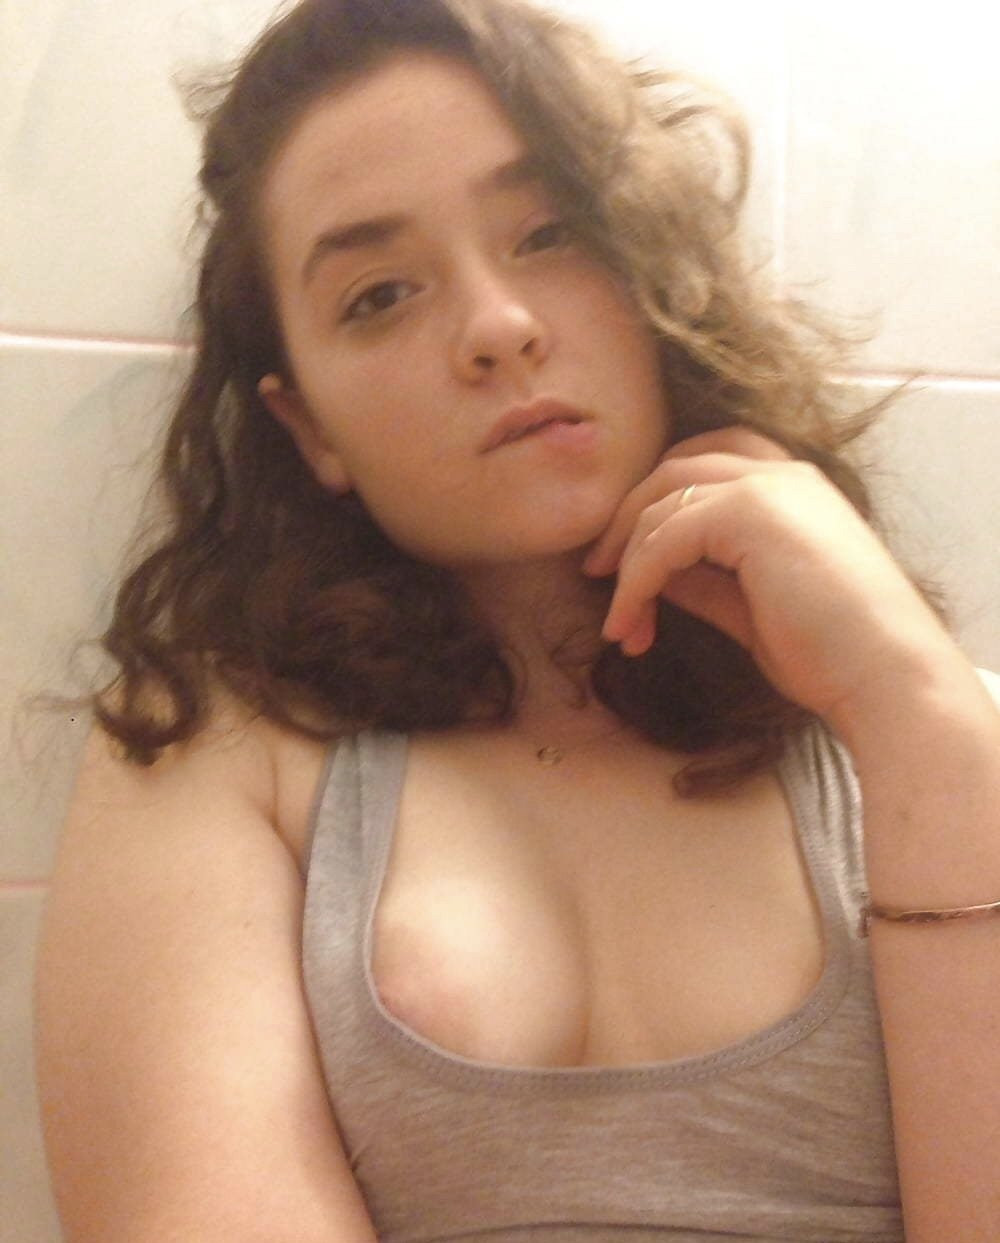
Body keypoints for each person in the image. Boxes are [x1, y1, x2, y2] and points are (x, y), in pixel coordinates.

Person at [34, 0, 1000, 1239]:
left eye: (551, 233)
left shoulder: (918, 727)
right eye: (379, 295)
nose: (498, 328)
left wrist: (916, 706)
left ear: (654, 266)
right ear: (308, 426)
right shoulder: (214, 748)